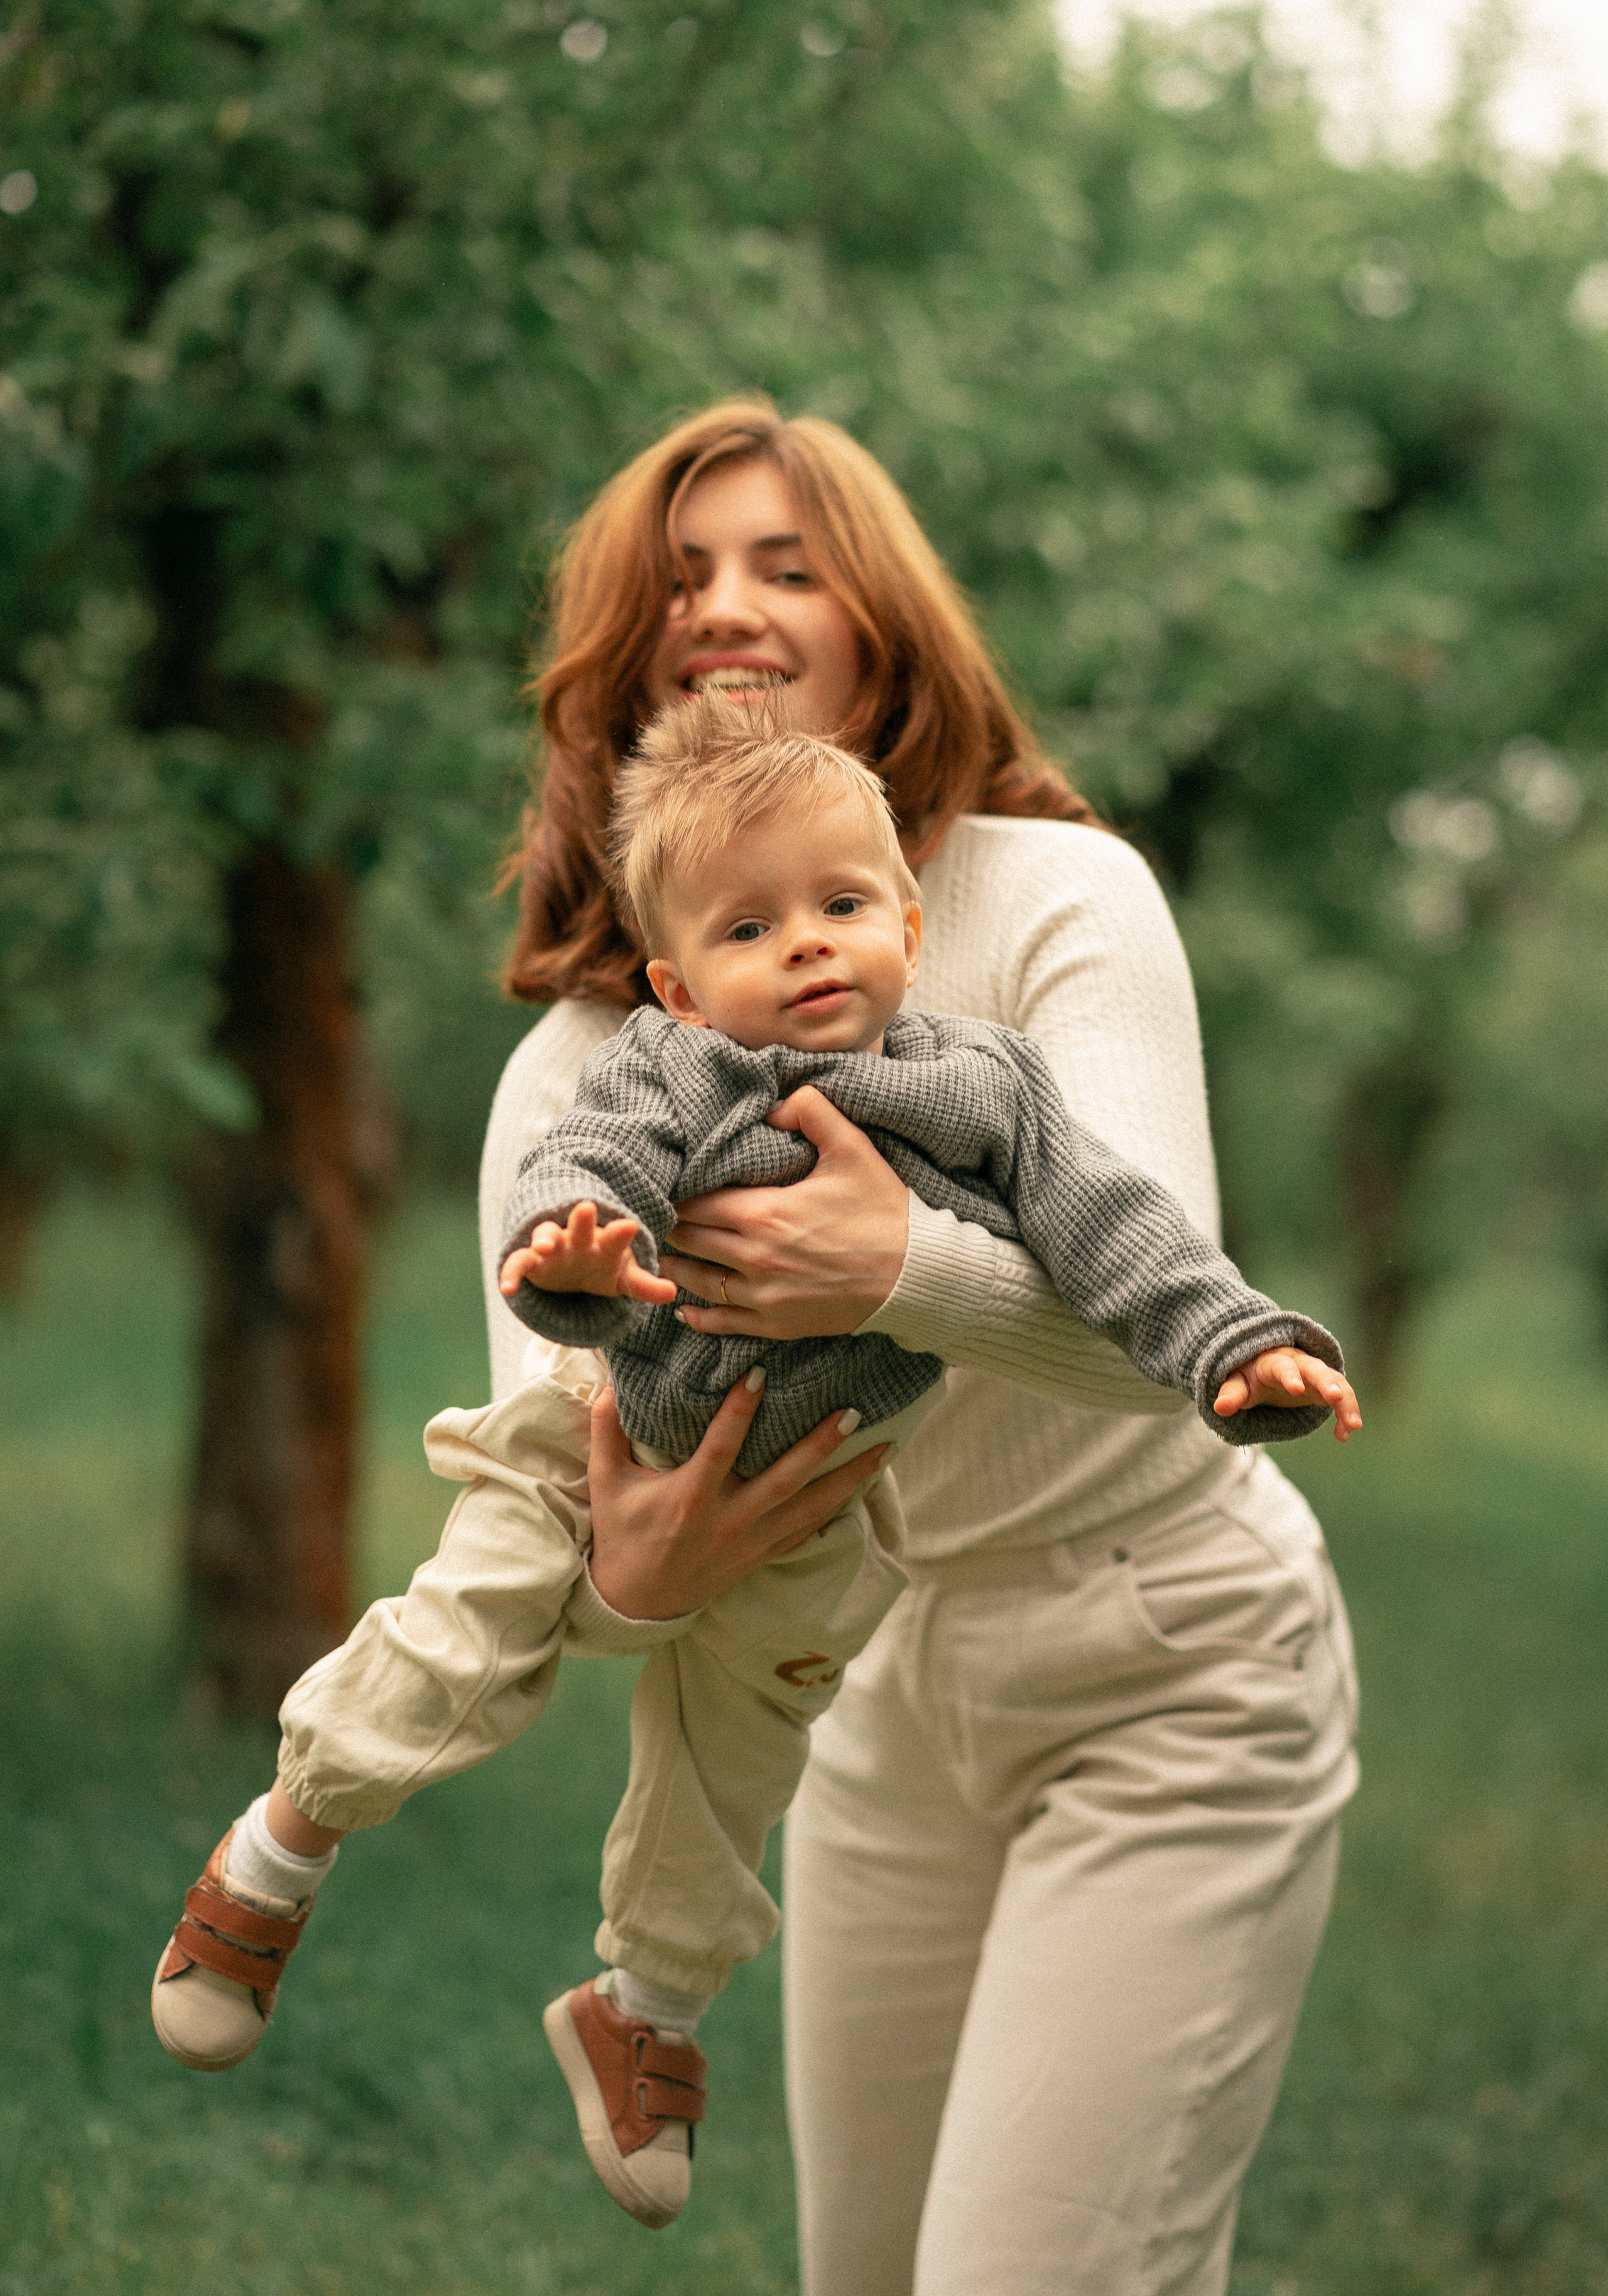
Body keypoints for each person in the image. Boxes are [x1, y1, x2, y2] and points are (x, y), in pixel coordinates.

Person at [148, 692, 1361, 2238]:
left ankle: (643, 2006)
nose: (804, 944)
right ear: (676, 979)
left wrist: (1233, 1345)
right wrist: (573, 1256)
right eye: (749, 925)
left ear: (908, 931)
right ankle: (277, 1851)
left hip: (814, 1512)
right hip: (591, 1453)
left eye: (840, 906)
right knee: (469, 1636)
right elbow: (583, 1173)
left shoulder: (983, 1090)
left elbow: (1112, 1232)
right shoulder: (672, 1067)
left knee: (734, 1766)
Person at [477, 400, 1362, 2296]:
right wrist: (625, 1576)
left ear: (882, 620)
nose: (729, 603)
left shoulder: (1059, 899)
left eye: (789, 565)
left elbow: (1162, 1306)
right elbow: (562, 1503)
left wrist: (890, 1265)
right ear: (627, 672)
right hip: (865, 1699)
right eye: (682, 576)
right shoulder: (583, 1078)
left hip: (1170, 1671)